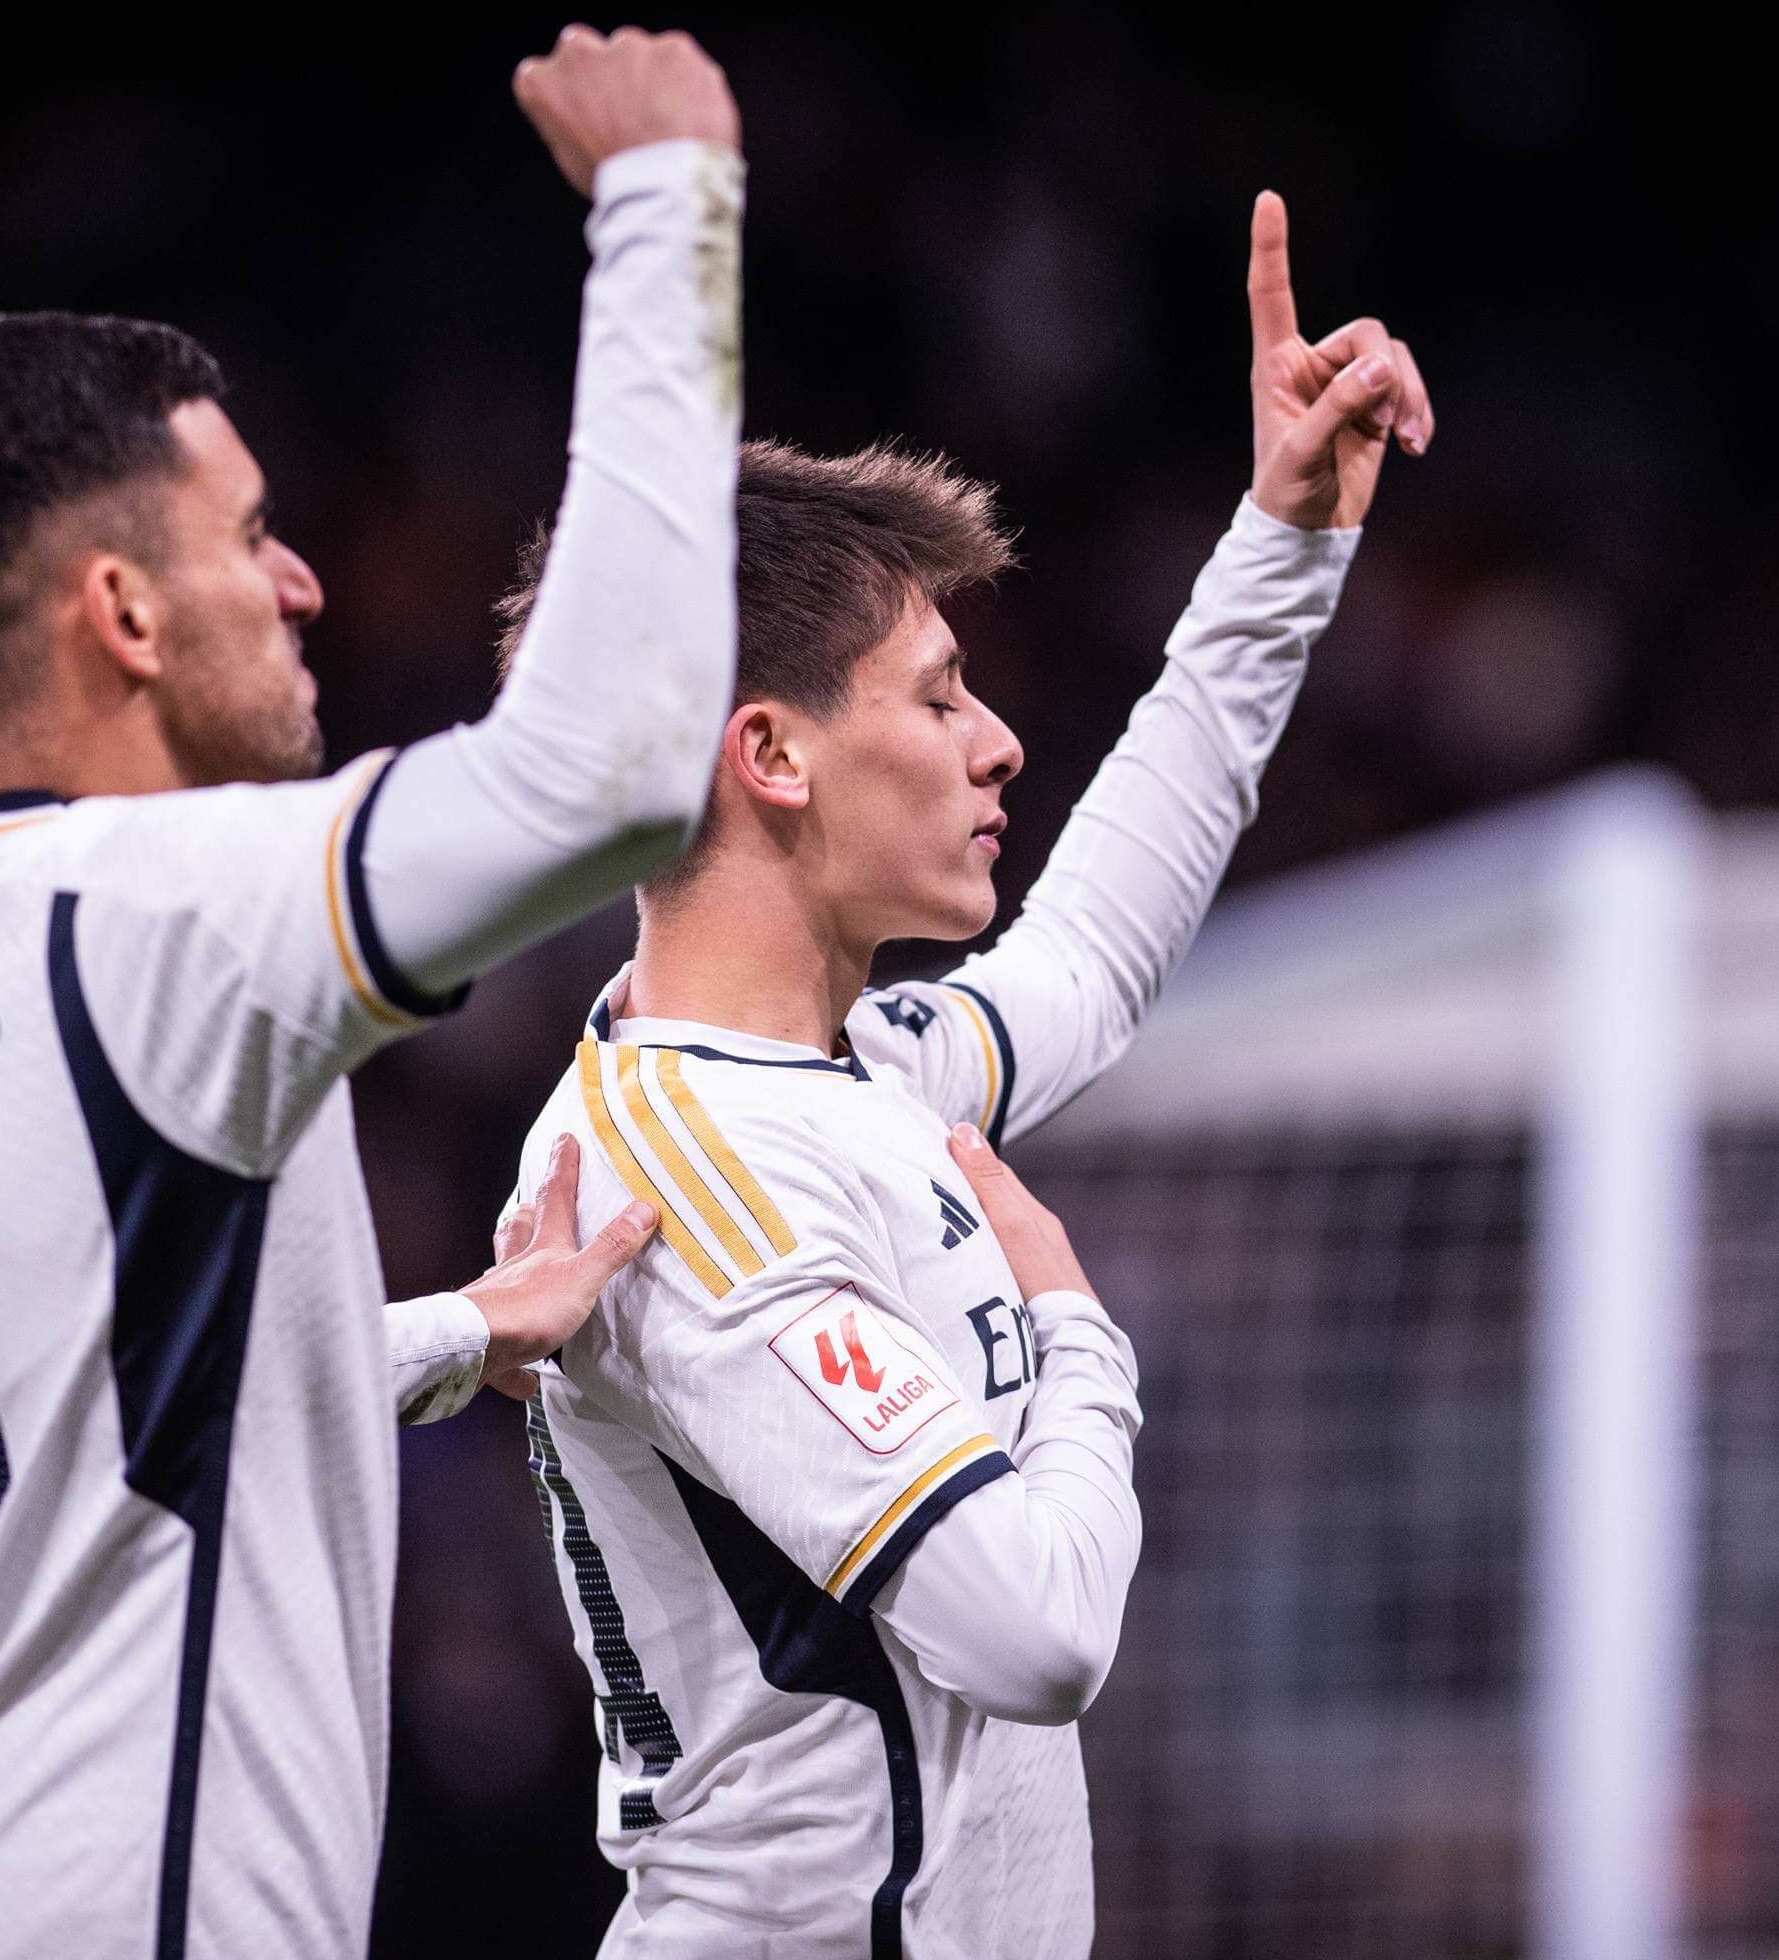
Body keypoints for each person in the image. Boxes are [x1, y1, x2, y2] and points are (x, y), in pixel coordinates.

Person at [0, 25, 745, 1959]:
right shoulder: (164, 912)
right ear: (119, 612)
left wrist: (456, 1330)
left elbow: (64, 1445)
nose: (306, 587)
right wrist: (667, 202)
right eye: (253, 535)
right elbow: (610, 770)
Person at [501, 192, 1430, 1957]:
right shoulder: (689, 1174)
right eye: (936, 699)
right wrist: (1077, 1324)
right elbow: (1035, 1633)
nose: (998, 739)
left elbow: (1090, 951)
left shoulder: (857, 1074)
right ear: (766, 754)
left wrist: (1281, 545)